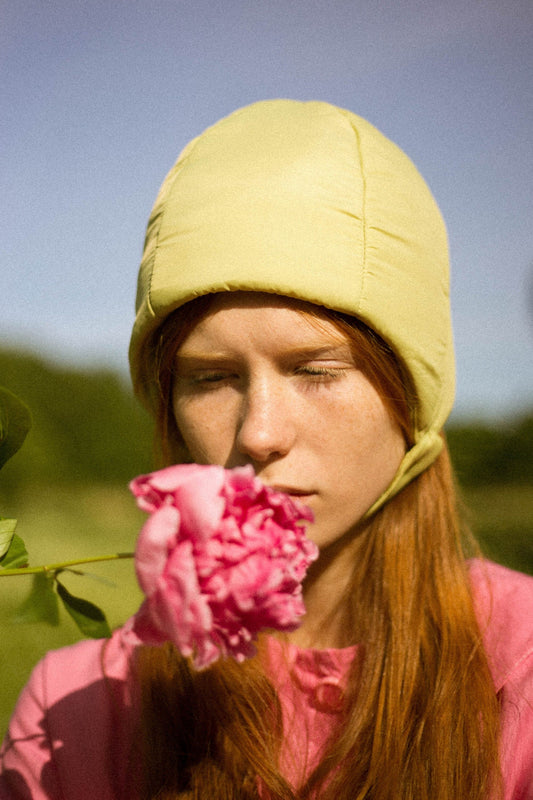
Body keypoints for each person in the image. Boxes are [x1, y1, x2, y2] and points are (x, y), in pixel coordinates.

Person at [2, 99, 533, 800]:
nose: (258, 433)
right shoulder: (76, 711)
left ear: (412, 394)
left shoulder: (519, 669)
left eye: (315, 371)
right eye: (210, 379)